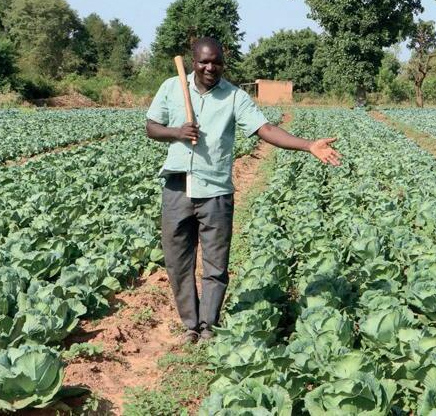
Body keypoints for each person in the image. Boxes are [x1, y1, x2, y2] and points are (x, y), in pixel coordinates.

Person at [145, 37, 342, 343]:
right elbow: (151, 127)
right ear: (194, 61)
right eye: (204, 62)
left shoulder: (235, 96)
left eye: (217, 62)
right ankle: (190, 325)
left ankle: (208, 326)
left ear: (223, 64)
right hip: (177, 187)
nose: (210, 67)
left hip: (215, 190)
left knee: (216, 264)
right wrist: (177, 132)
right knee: (178, 261)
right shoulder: (172, 87)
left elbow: (266, 129)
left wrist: (307, 145)